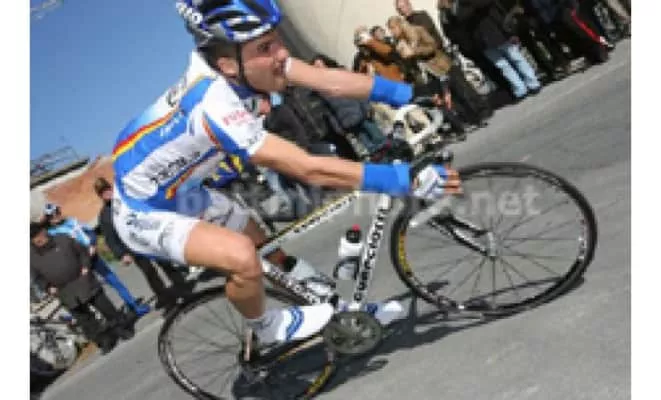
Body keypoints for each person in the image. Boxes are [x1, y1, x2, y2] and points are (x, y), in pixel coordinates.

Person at [111, 0, 459, 346]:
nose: (281, 53)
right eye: (266, 47)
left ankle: (340, 312)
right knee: (243, 258)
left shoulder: (250, 62)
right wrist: (402, 179)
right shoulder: (213, 106)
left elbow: (328, 80)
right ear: (227, 65)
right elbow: (307, 167)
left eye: (276, 39)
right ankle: (264, 327)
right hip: (143, 210)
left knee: (270, 253)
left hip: (186, 191)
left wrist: (411, 92)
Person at [30, 222, 134, 354]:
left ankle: (122, 329)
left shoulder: (62, 239)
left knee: (105, 307)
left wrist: (85, 267)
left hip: (83, 280)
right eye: (33, 238)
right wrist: (47, 287)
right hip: (65, 291)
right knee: (85, 320)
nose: (37, 239)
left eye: (37, 235)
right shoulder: (31, 256)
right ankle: (104, 340)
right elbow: (37, 278)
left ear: (43, 231)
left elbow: (83, 252)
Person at [94, 178, 191, 310]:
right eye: (103, 193)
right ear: (100, 196)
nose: (107, 194)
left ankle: (182, 286)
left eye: (107, 190)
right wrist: (122, 254)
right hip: (133, 246)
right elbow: (110, 238)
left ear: (111, 188)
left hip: (149, 236)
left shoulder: (126, 199)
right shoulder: (104, 215)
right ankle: (166, 298)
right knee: (149, 272)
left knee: (165, 263)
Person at [43, 203, 151, 317]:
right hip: (79, 266)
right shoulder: (51, 234)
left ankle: (133, 305)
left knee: (114, 281)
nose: (55, 216)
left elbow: (90, 231)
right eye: (51, 216)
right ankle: (111, 316)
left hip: (94, 257)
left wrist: (93, 244)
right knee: (92, 293)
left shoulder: (72, 221)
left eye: (57, 212)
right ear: (48, 219)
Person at [440, 0, 542, 100]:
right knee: (502, 66)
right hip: (481, 39)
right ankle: (520, 88)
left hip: (498, 32)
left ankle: (533, 83)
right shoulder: (456, 8)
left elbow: (485, 4)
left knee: (516, 58)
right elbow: (461, 17)